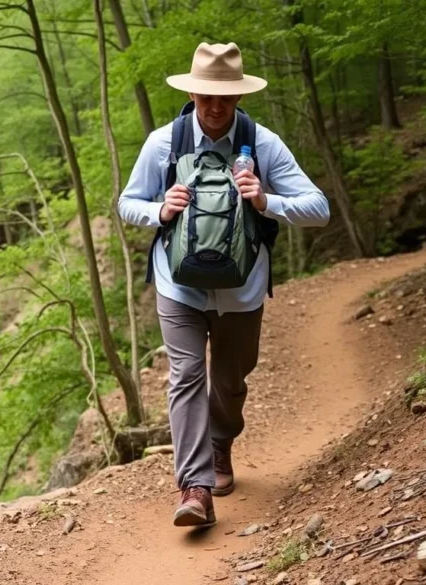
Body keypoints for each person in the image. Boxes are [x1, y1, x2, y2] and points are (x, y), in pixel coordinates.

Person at [117, 42, 331, 527]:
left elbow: (319, 209)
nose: (215, 108)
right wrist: (159, 210)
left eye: (226, 99)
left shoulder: (264, 142)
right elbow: (127, 204)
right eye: (206, 97)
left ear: (238, 98)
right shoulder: (164, 143)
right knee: (186, 376)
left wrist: (266, 201)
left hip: (242, 288)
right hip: (178, 284)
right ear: (192, 92)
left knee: (231, 381)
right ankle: (195, 488)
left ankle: (220, 444)